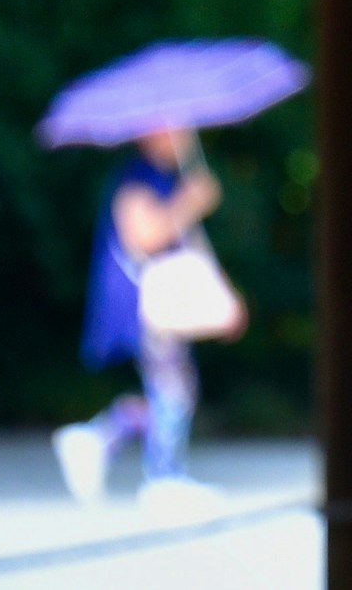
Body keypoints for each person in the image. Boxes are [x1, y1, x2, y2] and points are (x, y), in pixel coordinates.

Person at [52, 127, 236, 506]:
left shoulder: (165, 176)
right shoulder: (137, 177)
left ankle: (100, 438)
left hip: (161, 299)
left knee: (173, 388)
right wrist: (191, 201)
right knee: (173, 386)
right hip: (143, 298)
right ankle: (162, 476)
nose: (184, 133)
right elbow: (144, 236)